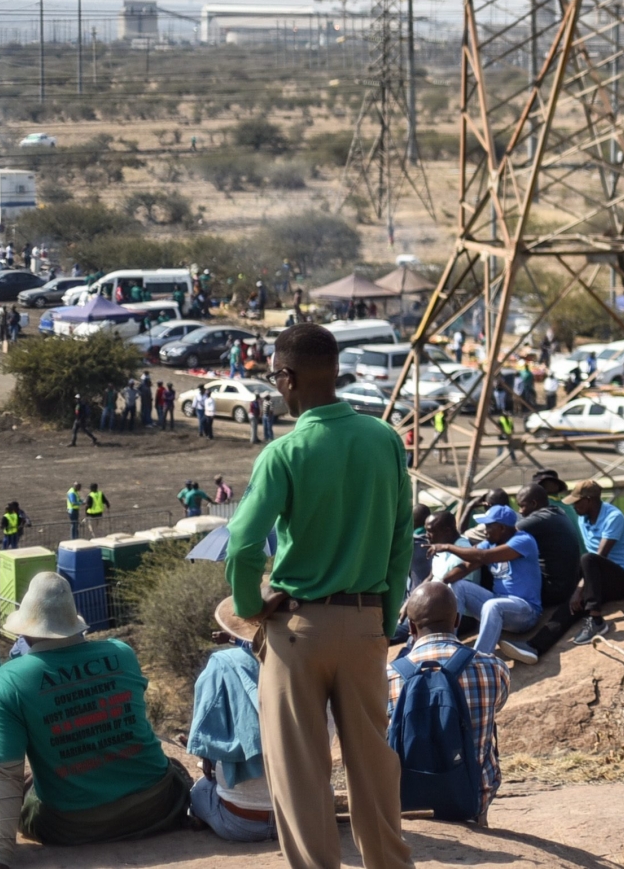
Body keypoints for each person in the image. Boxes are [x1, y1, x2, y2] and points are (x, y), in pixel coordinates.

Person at [223, 322, 413, 869]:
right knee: (374, 771)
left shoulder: (285, 452)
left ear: (286, 379)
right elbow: (402, 540)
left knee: (301, 779)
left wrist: (249, 606)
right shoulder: (383, 440)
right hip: (365, 625)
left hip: (297, 634)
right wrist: (383, 616)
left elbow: (241, 545)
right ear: (335, 370)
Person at [0, 572, 192, 856]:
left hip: (71, 825)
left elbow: (4, 775)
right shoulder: (122, 653)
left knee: (20, 791)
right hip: (157, 805)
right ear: (74, 623)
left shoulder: (8, 681)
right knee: (173, 767)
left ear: (25, 630)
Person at [386, 582, 510, 826]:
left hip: (404, 798)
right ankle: (479, 817)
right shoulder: (495, 668)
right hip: (472, 797)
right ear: (457, 620)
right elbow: (496, 707)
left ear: (411, 627)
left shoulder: (387, 676)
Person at [187, 599, 276, 843]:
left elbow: (206, 731)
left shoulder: (223, 663)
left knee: (200, 789)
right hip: (306, 822)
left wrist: (208, 756)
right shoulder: (311, 663)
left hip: (240, 824)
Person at [429, 504, 543, 667]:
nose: (485, 529)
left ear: (502, 528)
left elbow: (482, 556)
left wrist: (447, 547)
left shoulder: (523, 540)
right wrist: (441, 584)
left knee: (493, 605)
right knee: (459, 585)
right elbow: (466, 566)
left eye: (489, 526)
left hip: (526, 611)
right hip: (498, 604)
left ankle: (478, 662)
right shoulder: (489, 543)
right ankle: (448, 648)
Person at [512, 485, 584, 657]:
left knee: (497, 561)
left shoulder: (540, 518)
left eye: (522, 506)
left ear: (534, 503)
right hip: (564, 586)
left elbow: (503, 535)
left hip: (553, 591)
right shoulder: (556, 512)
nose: (520, 511)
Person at [567, 479, 624, 646]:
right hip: (597, 578)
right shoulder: (582, 518)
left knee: (587, 559)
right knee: (568, 610)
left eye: (577, 502)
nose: (574, 506)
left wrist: (579, 590)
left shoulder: (614, 517)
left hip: (621, 580)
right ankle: (535, 647)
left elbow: (599, 556)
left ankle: (596, 619)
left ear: (589, 500)